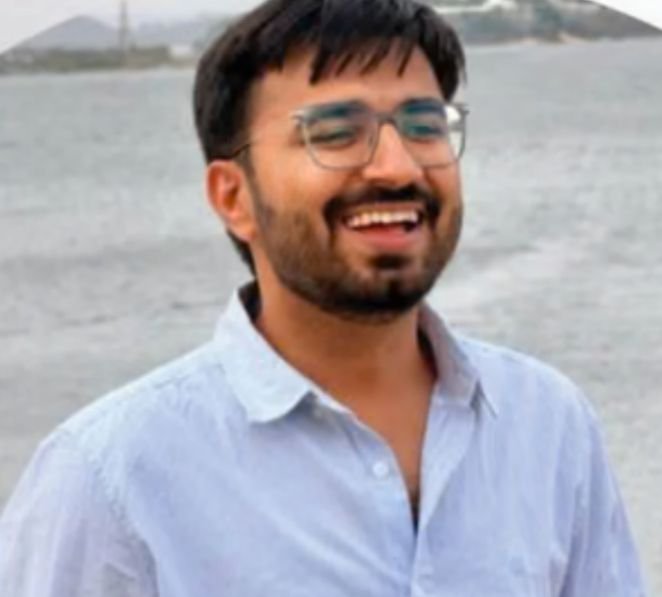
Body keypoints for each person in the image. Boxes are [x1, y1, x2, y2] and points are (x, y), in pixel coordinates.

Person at [0, 0, 646, 595]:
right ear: (233, 196)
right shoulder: (112, 479)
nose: (398, 166)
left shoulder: (547, 424)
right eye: (336, 132)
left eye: (424, 125)